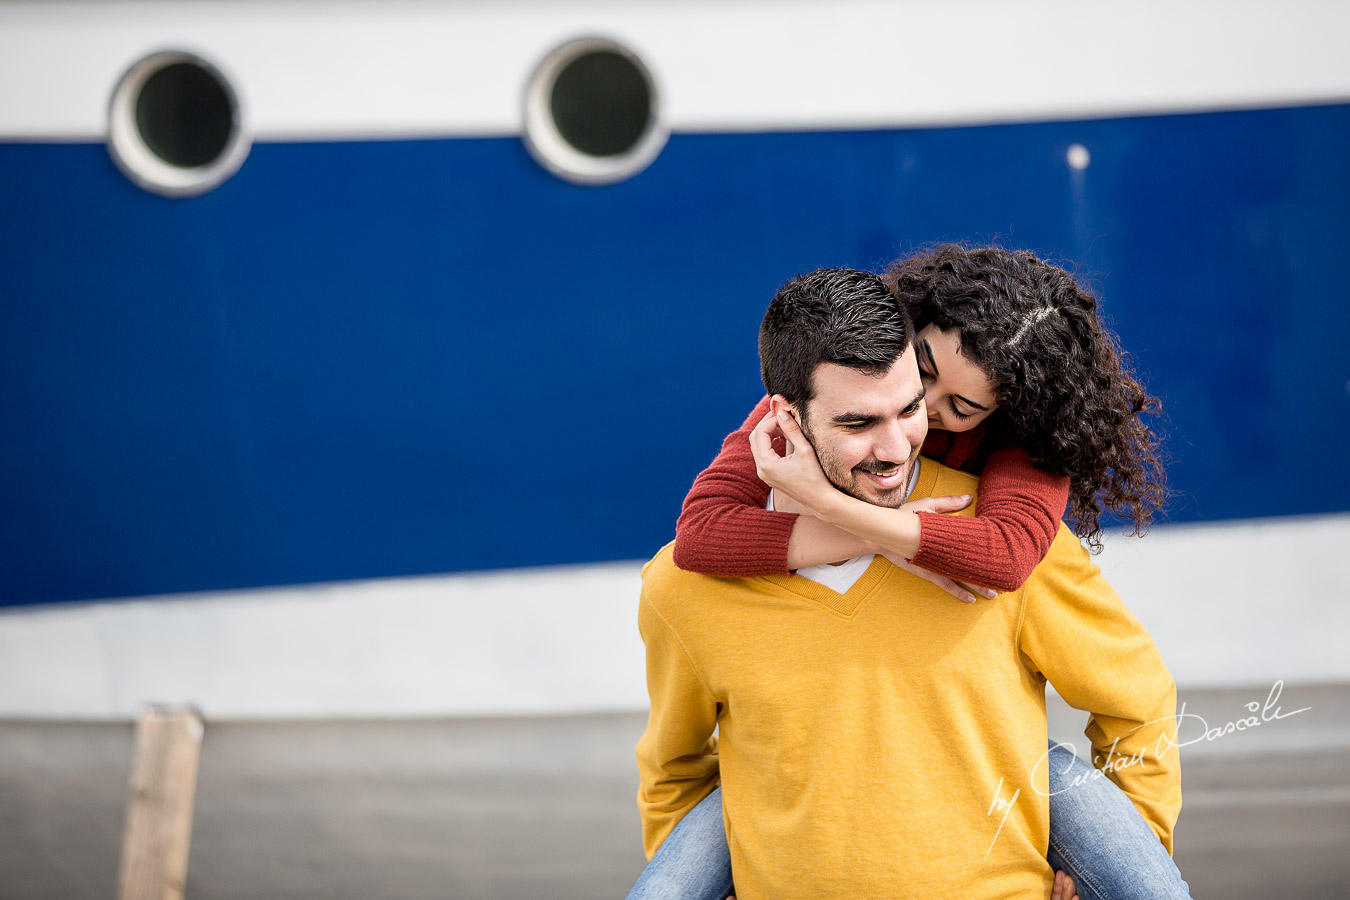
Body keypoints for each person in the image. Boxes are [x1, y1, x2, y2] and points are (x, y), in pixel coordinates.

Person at [631, 267, 1186, 898]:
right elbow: (673, 769)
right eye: (859, 421)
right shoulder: (686, 586)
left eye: (917, 407)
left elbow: (1134, 701)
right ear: (786, 415)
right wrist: (873, 528)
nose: (898, 444)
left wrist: (1120, 863)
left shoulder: (1018, 519)